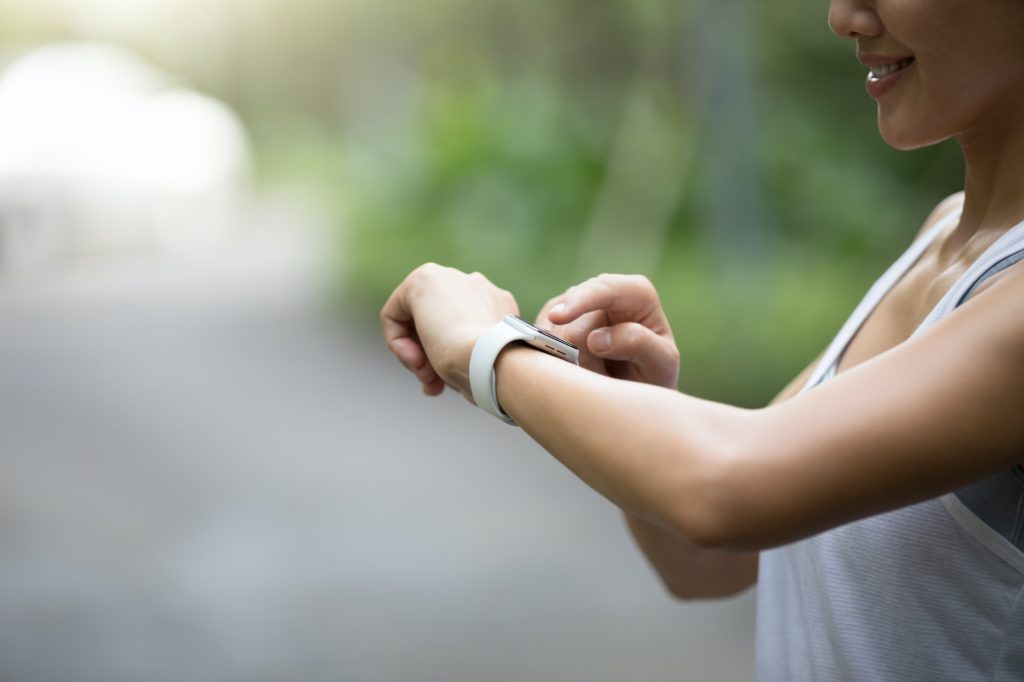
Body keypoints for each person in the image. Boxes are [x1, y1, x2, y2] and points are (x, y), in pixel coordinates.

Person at [380, 0, 1024, 679]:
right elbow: (709, 562)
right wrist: (634, 400)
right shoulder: (942, 237)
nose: (843, 16)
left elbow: (723, 488)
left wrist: (486, 351)